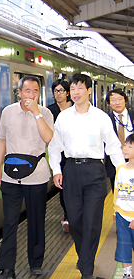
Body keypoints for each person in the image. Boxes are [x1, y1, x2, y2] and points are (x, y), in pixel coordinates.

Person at [49, 73, 124, 279]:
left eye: (80, 88)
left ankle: (87, 270)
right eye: (72, 89)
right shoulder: (63, 117)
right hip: (71, 170)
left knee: (92, 221)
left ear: (89, 91)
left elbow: (114, 147)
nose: (75, 92)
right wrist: (56, 169)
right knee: (74, 221)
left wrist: (123, 172)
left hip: (94, 172)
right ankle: (85, 259)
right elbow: (55, 147)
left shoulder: (101, 117)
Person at [0, 76, 54, 279]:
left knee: (36, 221)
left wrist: (37, 113)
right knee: (10, 221)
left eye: (35, 91)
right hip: (11, 176)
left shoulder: (45, 112)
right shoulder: (8, 111)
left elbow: (48, 139)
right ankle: (7, 267)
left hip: (36, 176)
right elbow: (1, 140)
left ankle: (36, 262)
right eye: (27, 91)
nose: (31, 95)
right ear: (19, 92)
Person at [47, 79, 73, 233]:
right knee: (63, 188)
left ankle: (75, 215)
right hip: (59, 155)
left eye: (61, 90)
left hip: (74, 154)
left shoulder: (76, 109)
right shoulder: (49, 111)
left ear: (68, 93)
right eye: (56, 91)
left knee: (74, 186)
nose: (58, 94)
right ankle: (67, 216)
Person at [114, 133, 134, 279]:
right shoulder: (120, 169)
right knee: (123, 246)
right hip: (122, 215)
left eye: (130, 146)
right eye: (125, 145)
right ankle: (127, 275)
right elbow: (117, 190)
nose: (125, 149)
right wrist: (115, 211)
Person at [106, 89, 134, 191]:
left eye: (120, 99)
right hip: (115, 163)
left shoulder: (133, 115)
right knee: (119, 194)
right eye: (113, 100)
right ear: (109, 104)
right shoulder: (106, 120)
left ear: (125, 101)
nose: (117, 103)